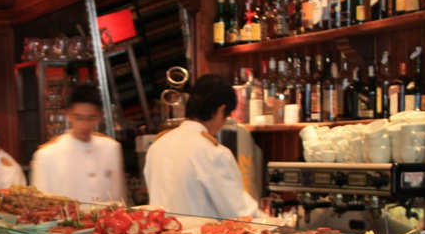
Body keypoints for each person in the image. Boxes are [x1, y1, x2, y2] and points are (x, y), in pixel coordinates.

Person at [143, 74, 265, 220]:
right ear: (221, 111)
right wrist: (275, 224)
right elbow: (239, 211)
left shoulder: (158, 145)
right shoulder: (212, 152)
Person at [31, 84, 126, 204]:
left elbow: (119, 199)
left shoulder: (111, 148)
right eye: (79, 118)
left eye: (90, 118)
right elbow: (41, 207)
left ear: (99, 116)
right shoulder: (47, 155)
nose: (85, 125)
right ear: (69, 114)